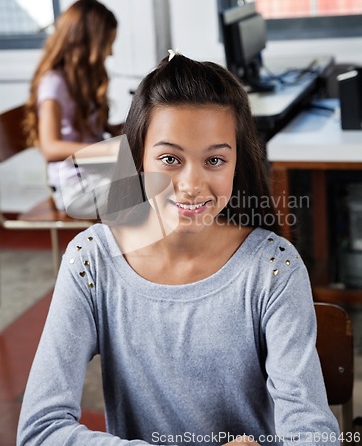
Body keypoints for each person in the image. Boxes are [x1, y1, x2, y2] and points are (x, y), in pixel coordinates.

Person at [17, 53, 340, 445]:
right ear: (136, 159)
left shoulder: (274, 268)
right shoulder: (91, 262)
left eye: (215, 160)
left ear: (237, 162)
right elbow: (40, 431)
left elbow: (313, 435)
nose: (191, 184)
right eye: (169, 159)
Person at [24, 0, 122, 213]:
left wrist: (123, 130)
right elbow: (50, 148)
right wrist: (106, 150)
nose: (110, 53)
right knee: (152, 191)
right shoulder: (54, 84)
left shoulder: (85, 79)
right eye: (107, 44)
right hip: (74, 188)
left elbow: (91, 130)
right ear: (86, 43)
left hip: (97, 173)